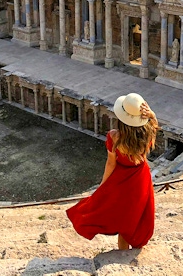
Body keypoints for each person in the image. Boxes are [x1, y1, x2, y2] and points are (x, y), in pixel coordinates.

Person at [66, 93, 158, 250]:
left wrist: (103, 186)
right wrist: (152, 115)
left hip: (121, 179)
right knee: (134, 216)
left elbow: (110, 163)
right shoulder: (147, 133)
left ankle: (122, 253)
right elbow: (155, 125)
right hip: (140, 179)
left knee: (121, 217)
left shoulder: (114, 136)